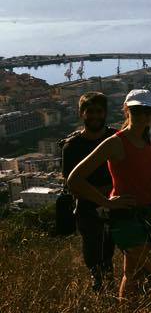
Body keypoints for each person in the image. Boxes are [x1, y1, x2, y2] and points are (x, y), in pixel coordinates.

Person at [68, 89, 151, 300]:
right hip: (126, 219)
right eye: (137, 111)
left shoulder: (145, 139)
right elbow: (74, 179)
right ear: (126, 111)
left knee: (134, 274)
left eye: (148, 111)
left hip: (143, 216)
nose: (143, 116)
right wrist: (106, 202)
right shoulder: (116, 142)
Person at [60, 92, 117, 292]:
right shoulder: (72, 146)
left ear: (106, 113)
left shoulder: (115, 138)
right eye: (89, 111)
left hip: (118, 205)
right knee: (98, 261)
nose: (94, 116)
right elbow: (72, 184)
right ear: (81, 113)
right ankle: (104, 296)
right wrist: (104, 195)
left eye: (98, 111)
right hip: (89, 210)